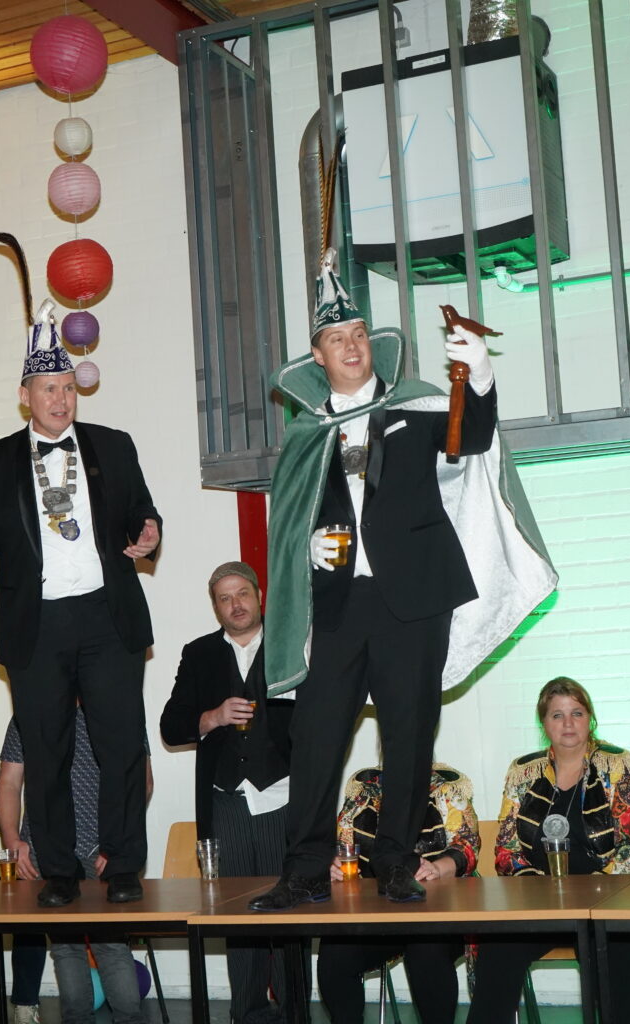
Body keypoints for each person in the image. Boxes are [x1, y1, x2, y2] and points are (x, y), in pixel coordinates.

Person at [251, 249, 556, 911]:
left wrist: (479, 374)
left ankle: (395, 862)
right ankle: (304, 870)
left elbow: (475, 437)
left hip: (414, 601)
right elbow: (290, 519)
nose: (351, 345)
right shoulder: (305, 435)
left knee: (410, 733)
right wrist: (307, 547)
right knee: (316, 737)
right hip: (338, 602)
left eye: (359, 334)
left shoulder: (417, 406)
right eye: (338, 338)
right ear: (319, 356)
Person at [0, 235, 160, 907]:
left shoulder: (113, 447)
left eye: (67, 388)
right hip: (36, 623)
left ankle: (123, 867)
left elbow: (143, 512)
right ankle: (60, 871)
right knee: (46, 749)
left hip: (107, 615)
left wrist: (150, 533)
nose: (61, 399)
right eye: (48, 389)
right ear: (25, 394)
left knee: (122, 746)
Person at [473, 677, 630, 1024]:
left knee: (615, 949)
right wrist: (535, 887)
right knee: (498, 947)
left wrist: (594, 891)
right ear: (544, 723)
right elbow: (506, 848)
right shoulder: (523, 772)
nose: (568, 723)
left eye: (576, 713)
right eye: (557, 715)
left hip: (606, 904)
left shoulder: (617, 766)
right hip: (540, 906)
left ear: (590, 718)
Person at [160, 560, 292, 1024]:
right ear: (215, 607)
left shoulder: (291, 644)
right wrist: (211, 717)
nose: (235, 604)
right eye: (224, 598)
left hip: (284, 799)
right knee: (237, 917)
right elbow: (171, 726)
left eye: (242, 594)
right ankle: (248, 1014)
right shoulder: (198, 654)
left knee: (289, 915)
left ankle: (293, 1012)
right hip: (225, 803)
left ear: (259, 596)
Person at [0, 708, 149, 1024]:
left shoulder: (116, 706)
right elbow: (10, 781)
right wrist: (12, 839)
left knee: (110, 944)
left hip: (102, 850)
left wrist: (117, 843)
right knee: (66, 946)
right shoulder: (30, 712)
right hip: (48, 851)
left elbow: (141, 781)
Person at [315, 763, 475, 1024]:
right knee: (336, 951)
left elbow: (467, 845)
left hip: (439, 914)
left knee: (426, 949)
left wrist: (438, 867)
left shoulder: (447, 788)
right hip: (380, 914)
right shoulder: (365, 790)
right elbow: (341, 843)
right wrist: (331, 862)